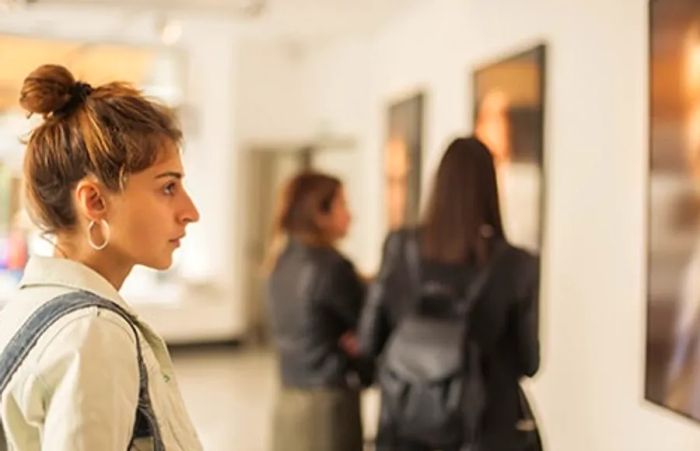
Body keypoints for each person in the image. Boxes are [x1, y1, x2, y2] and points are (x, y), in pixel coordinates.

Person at [0, 64, 202, 450]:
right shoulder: (93, 330)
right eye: (168, 187)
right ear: (94, 201)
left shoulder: (25, 308)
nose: (190, 211)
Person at [360, 136, 542, 451]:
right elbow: (528, 362)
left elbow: (369, 339)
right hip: (485, 430)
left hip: (407, 425)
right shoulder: (516, 264)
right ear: (490, 188)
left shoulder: (399, 247)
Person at [266, 171, 367, 451]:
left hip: (289, 397)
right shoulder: (331, 266)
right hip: (327, 403)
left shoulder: (281, 261)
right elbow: (367, 327)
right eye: (343, 205)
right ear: (319, 214)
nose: (350, 215)